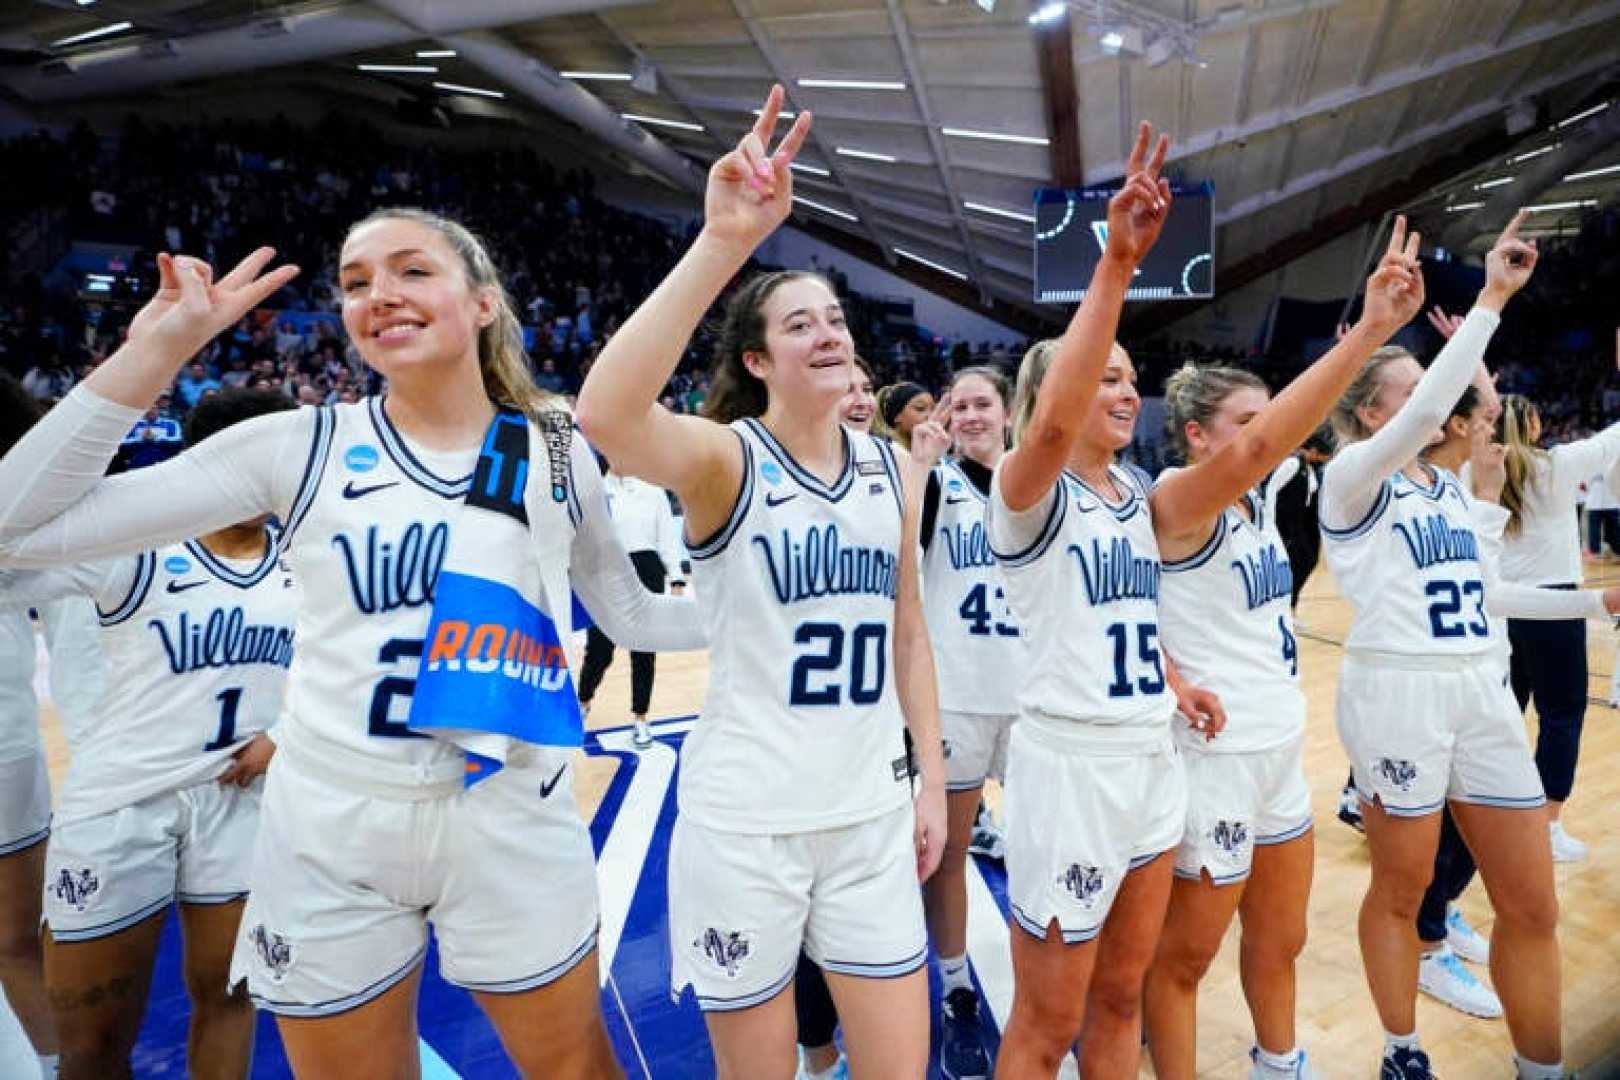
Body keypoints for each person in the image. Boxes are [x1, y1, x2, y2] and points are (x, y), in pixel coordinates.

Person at [0, 213, 702, 1078]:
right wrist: (158, 349)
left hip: (508, 805)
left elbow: (628, 614)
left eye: (411, 270)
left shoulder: (555, 447)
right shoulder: (297, 446)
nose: (380, 294)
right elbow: (9, 526)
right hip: (331, 822)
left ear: (484, 302)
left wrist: (749, 612)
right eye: (358, 280)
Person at [575, 86, 947, 1079]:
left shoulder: (894, 469)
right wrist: (724, 242)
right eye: (798, 324)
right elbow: (607, 414)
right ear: (757, 358)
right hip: (747, 825)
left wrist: (933, 782)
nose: (827, 332)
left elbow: (910, 633)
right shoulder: (725, 463)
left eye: (835, 319)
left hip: (868, 812)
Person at [1143, 217, 1428, 1080]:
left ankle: (1280, 1061)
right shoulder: (1176, 500)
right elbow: (1273, 442)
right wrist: (1371, 333)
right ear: (1198, 435)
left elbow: (1334, 452)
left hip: (1277, 749)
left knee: (1283, 938)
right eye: (1247, 421)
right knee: (1184, 960)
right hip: (1210, 756)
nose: (1270, 434)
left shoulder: (1270, 503)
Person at [1320, 212, 1573, 1080]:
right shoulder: (1350, 478)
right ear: (1368, 411)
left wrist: (1591, 602)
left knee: (1532, 902)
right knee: (1401, 887)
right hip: (1399, 693)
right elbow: (1437, 403)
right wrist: (1493, 297)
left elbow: (1486, 594)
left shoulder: (1448, 492)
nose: (1432, 393)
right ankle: (1400, 1050)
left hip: (1478, 685)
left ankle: (1541, 1067)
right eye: (1410, 385)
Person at [986, 122, 1209, 1078]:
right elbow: (1051, 426)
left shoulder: (1135, 500)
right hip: (1068, 771)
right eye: (1104, 377)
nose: (1127, 391)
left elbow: (1115, 623)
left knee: (1123, 999)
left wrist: (1171, 676)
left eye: (1131, 377)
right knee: (1047, 1024)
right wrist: (1115, 266)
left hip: (1149, 753)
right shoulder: (1026, 492)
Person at [2, 388, 297, 1079]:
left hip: (239, 803)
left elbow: (359, 659)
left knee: (231, 997)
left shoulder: (305, 555)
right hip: (122, 805)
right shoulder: (136, 540)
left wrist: (287, 730)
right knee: (95, 1046)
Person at [905, 366, 1022, 1080]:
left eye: (984, 403)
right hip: (956, 694)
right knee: (946, 853)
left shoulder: (1037, 480)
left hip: (1034, 693)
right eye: (961, 404)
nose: (972, 414)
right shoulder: (937, 488)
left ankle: (1049, 967)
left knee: (1043, 843)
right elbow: (898, 549)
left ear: (1010, 412)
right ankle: (954, 986)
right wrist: (921, 465)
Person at [1493, 391, 1620, 860]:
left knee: (1503, 718)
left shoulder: (1478, 469)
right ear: (1534, 425)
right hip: (1556, 609)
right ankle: (1544, 827)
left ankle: (1495, 814)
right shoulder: (1557, 464)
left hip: (1502, 609)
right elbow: (1613, 440)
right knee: (1562, 718)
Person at [577, 458, 688, 749]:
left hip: (647, 569)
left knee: (643, 652)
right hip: (608, 570)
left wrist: (676, 579)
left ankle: (641, 719)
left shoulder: (653, 490)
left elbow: (667, 535)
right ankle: (582, 703)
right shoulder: (596, 491)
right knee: (599, 650)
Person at [876, 381, 933, 449]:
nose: (930, 416)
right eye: (920, 408)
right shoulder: (885, 452)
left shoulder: (939, 454)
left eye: (933, 409)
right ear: (896, 416)